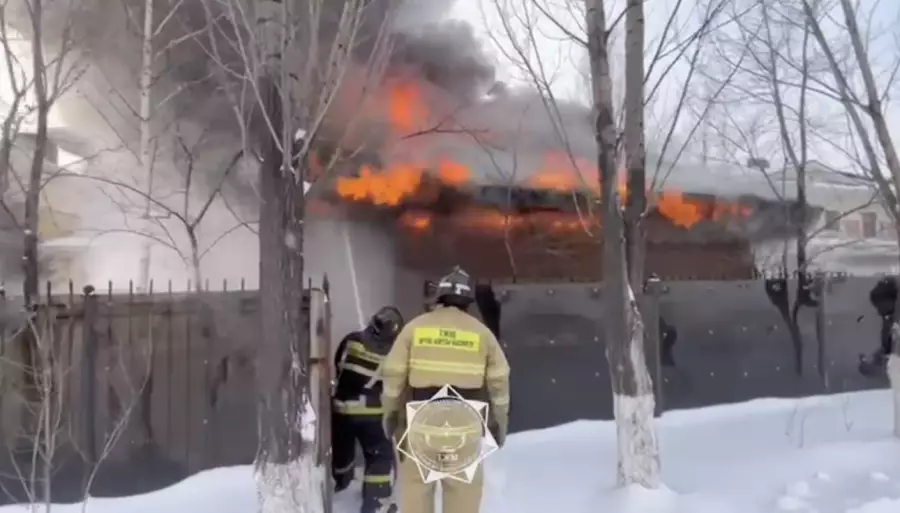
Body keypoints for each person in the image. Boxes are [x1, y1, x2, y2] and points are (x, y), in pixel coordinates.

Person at [380, 266, 511, 513]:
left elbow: (393, 374)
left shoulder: (414, 328)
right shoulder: (482, 333)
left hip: (421, 423)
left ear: (438, 296)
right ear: (468, 301)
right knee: (463, 499)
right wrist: (499, 422)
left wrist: (390, 413)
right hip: (465, 428)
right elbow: (499, 381)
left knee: (416, 495)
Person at [332, 306, 405, 513]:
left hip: (341, 412)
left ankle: (340, 487)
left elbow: (339, 365)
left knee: (342, 455)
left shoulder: (352, 340)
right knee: (380, 457)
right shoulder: (394, 352)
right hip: (372, 415)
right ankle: (376, 504)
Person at [862, 277, 898, 375]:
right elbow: (888, 350)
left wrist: (880, 371)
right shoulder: (889, 324)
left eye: (880, 307)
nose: (879, 313)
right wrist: (876, 361)